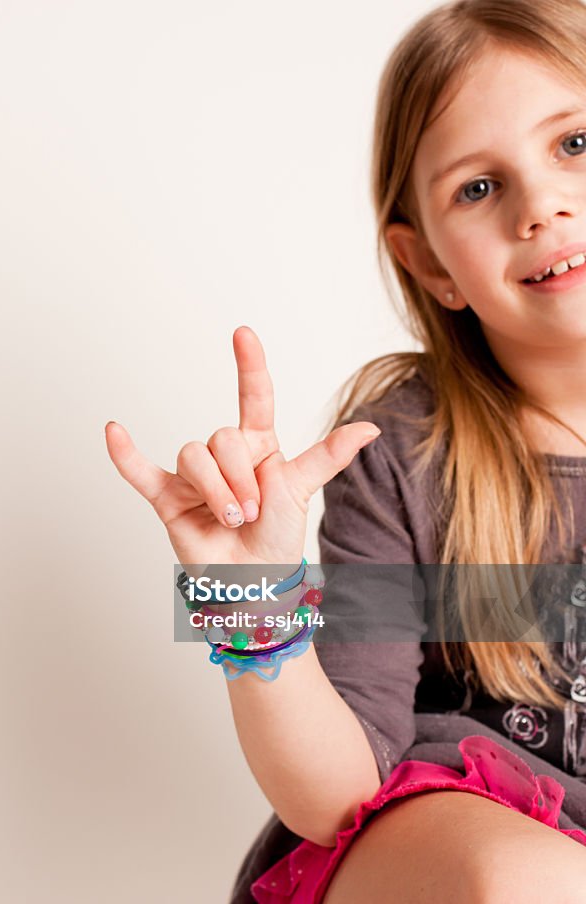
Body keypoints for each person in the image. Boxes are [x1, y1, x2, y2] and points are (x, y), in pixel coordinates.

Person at [104, 0, 586, 900]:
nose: (542, 205)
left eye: (576, 145)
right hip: (444, 845)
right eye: (478, 188)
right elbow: (335, 795)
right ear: (432, 264)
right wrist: (252, 603)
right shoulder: (404, 443)